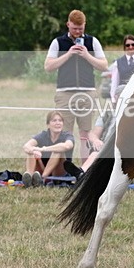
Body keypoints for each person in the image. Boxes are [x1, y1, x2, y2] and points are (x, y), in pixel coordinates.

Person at [44, 9, 108, 161]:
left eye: (81, 28)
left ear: (85, 25)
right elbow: (48, 67)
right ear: (68, 25)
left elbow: (104, 66)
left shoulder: (93, 41)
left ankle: (84, 171)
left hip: (87, 92)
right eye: (74, 28)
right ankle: (66, 170)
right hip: (64, 93)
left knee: (85, 134)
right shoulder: (58, 42)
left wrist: (86, 55)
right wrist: (68, 54)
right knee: (65, 135)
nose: (78, 31)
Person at [22, 110, 75, 187]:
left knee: (57, 151)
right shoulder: (43, 135)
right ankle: (29, 178)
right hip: (43, 167)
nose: (58, 123)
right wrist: (34, 151)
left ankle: (42, 179)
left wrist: (44, 149)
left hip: (60, 170)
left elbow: (67, 146)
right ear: (48, 125)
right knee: (31, 152)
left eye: (60, 121)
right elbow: (26, 146)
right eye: (54, 120)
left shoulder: (67, 135)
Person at [110, 35, 134, 102]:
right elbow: (114, 82)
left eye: (133, 45)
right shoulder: (118, 63)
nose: (130, 47)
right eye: (127, 45)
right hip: (122, 97)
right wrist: (113, 98)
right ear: (124, 47)